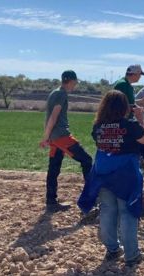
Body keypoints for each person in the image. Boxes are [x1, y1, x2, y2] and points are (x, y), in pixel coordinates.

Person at [78, 90, 144, 267]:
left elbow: (100, 143)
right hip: (126, 175)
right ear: (124, 107)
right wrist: (142, 118)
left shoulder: (97, 127)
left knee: (107, 211)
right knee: (127, 212)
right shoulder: (131, 125)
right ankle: (131, 255)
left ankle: (112, 249)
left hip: (103, 174)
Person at [39, 70, 92, 212]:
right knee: (87, 160)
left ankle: (51, 201)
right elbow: (54, 116)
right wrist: (45, 137)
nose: (75, 85)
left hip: (54, 138)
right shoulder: (61, 94)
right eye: (75, 82)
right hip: (61, 136)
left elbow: (49, 116)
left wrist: (48, 137)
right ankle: (91, 198)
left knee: (54, 168)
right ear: (70, 81)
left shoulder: (54, 92)